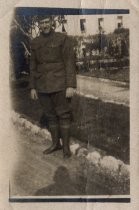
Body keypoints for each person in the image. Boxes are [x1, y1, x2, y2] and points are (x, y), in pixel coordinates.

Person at [30, 16, 77, 158]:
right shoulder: (35, 42)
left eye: (47, 22)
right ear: (39, 25)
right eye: (41, 23)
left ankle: (66, 148)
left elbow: (70, 62)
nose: (44, 25)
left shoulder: (62, 39)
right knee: (50, 116)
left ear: (52, 23)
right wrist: (32, 87)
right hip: (42, 85)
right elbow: (32, 66)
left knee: (63, 114)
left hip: (60, 84)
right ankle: (56, 144)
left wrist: (70, 85)